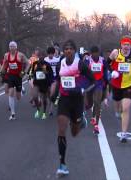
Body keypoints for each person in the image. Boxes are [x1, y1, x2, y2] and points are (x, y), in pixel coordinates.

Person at [54, 40, 95, 177]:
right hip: (64, 99)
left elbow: (92, 80)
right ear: (63, 51)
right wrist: (54, 94)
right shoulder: (61, 63)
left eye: (71, 48)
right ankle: (62, 164)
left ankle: (80, 120)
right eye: (66, 48)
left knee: (74, 133)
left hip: (77, 100)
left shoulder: (80, 64)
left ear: (75, 51)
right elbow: (58, 79)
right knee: (61, 128)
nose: (68, 50)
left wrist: (82, 90)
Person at [107, 35, 131, 143]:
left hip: (128, 85)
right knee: (117, 102)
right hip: (116, 84)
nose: (126, 46)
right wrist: (112, 71)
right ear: (121, 44)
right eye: (124, 44)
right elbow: (107, 64)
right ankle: (117, 111)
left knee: (125, 109)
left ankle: (124, 134)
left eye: (128, 44)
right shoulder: (115, 53)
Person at [0, 41, 29, 120]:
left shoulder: (20, 55)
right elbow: (5, 63)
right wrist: (1, 70)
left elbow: (28, 63)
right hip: (11, 76)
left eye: (13, 46)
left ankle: (22, 90)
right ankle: (12, 113)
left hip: (18, 76)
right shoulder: (6, 55)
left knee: (18, 97)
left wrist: (24, 72)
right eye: (10, 46)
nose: (12, 48)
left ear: (16, 47)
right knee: (11, 93)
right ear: (9, 48)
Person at [84, 46, 108, 135]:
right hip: (90, 84)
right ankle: (92, 116)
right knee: (89, 104)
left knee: (97, 102)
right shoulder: (87, 60)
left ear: (99, 53)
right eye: (93, 53)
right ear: (91, 53)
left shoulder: (102, 60)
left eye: (97, 53)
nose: (95, 55)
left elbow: (106, 71)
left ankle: (96, 125)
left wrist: (106, 81)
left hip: (99, 83)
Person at [29, 52, 54, 120]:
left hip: (45, 84)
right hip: (37, 83)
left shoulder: (47, 64)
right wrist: (32, 76)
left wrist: (46, 72)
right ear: (38, 56)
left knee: (44, 100)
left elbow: (51, 74)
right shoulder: (35, 64)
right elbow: (32, 72)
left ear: (44, 57)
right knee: (35, 96)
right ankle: (38, 110)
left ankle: (44, 113)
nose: (41, 57)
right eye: (39, 56)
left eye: (42, 56)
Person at [44, 46, 61, 116]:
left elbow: (60, 67)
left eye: (52, 54)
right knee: (48, 94)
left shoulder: (57, 60)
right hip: (47, 78)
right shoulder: (45, 60)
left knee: (52, 93)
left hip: (54, 78)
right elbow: (43, 69)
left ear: (54, 53)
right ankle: (51, 103)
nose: (50, 55)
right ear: (47, 54)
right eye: (49, 54)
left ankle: (50, 110)